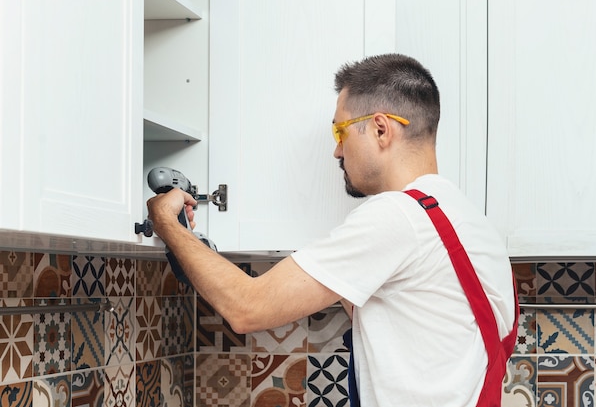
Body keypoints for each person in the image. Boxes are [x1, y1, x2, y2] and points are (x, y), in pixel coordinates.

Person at [147, 53, 518, 406]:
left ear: (380, 129)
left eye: (339, 131)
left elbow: (246, 310)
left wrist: (167, 223)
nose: (336, 152)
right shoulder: (467, 221)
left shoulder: (397, 217)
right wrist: (199, 255)